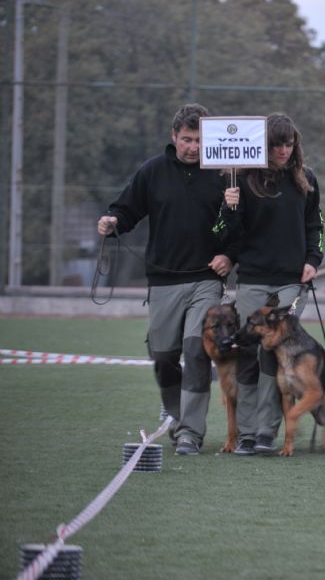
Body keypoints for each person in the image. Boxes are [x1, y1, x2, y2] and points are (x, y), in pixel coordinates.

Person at [97, 103, 232, 456]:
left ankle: (191, 433)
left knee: (196, 350)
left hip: (206, 279)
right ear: (174, 137)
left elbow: (240, 227)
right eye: (187, 139)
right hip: (163, 281)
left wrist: (229, 255)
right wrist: (112, 222)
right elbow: (127, 209)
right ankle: (175, 416)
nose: (193, 147)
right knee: (163, 355)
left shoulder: (224, 175)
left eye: (200, 140)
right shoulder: (152, 171)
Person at [215, 113, 325, 456]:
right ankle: (245, 433)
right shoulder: (243, 181)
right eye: (277, 144)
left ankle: (266, 432)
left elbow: (315, 227)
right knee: (248, 353)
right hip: (252, 279)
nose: (283, 150)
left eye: (289, 143)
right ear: (264, 145)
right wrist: (229, 209)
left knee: (277, 357)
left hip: (292, 282)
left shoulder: (306, 180)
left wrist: (313, 260)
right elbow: (225, 234)